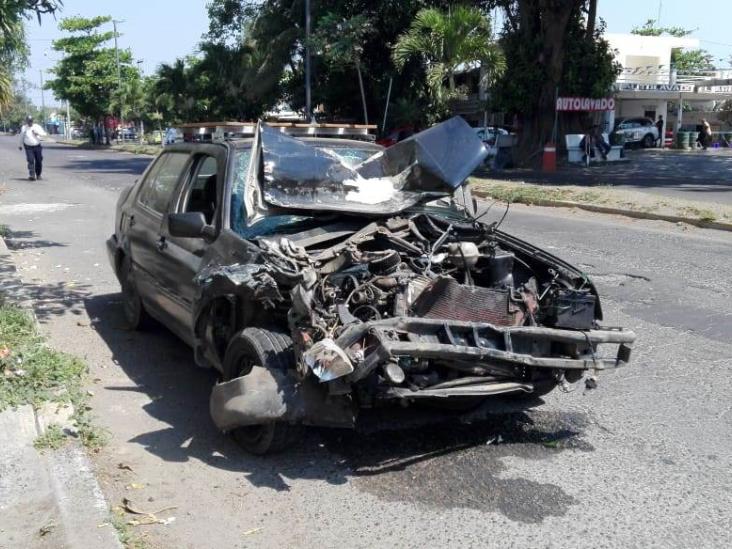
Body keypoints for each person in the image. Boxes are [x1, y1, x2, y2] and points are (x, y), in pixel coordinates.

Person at [18, 115, 47, 181]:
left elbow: (44, 134)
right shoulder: (24, 128)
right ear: (26, 121)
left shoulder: (37, 126)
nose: (29, 123)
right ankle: (32, 175)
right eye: (28, 121)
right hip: (28, 147)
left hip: (37, 146)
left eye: (31, 121)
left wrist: (37, 133)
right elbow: (21, 137)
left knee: (39, 161)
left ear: (32, 121)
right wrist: (20, 145)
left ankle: (38, 175)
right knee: (30, 160)